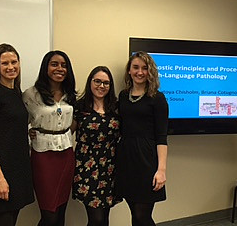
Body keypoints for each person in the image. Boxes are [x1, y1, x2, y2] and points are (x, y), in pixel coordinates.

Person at [0, 43, 35, 226]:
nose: (11, 67)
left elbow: (9, 124)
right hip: (0, 171)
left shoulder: (16, 93)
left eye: (14, 62)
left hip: (18, 169)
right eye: (5, 63)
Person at [22, 50, 77, 226]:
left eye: (63, 65)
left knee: (61, 211)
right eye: (54, 64)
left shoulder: (71, 94)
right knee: (49, 215)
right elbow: (15, 120)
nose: (59, 68)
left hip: (67, 156)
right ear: (46, 67)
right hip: (43, 157)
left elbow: (74, 122)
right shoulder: (30, 94)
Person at [115, 51, 169, 226]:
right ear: (129, 71)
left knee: (142, 216)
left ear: (150, 72)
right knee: (133, 213)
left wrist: (161, 170)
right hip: (126, 159)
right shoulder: (123, 96)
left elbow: (162, 137)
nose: (140, 72)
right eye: (135, 67)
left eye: (144, 68)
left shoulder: (157, 98)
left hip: (146, 160)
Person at [71, 66, 121, 226]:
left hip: (111, 167)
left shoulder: (116, 107)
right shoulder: (79, 107)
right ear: (90, 82)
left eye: (106, 83)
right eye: (97, 81)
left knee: (104, 217)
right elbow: (65, 133)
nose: (101, 86)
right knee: (96, 219)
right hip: (87, 168)